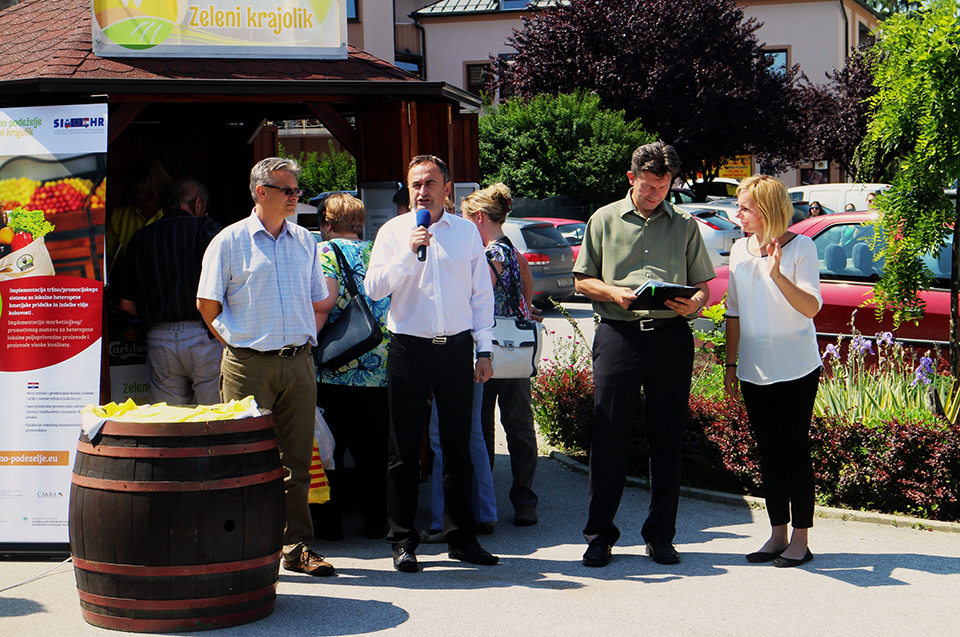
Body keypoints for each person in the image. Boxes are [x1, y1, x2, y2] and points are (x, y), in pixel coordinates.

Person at [573, 141, 715, 568]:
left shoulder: (686, 225)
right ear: (631, 178)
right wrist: (612, 292)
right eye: (649, 185)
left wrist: (697, 302)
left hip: (671, 336)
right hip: (619, 335)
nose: (656, 194)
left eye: (664, 186)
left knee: (668, 436)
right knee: (609, 435)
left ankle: (660, 536)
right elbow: (582, 280)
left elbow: (704, 286)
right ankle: (600, 536)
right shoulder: (603, 219)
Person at [197, 157, 335, 577]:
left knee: (296, 461)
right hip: (248, 365)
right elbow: (207, 304)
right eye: (288, 190)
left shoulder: (305, 241)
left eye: (296, 190)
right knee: (243, 460)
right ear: (261, 192)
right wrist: (237, 347)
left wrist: (299, 341)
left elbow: (316, 301)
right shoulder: (228, 240)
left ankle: (296, 547)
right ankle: (244, 547)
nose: (296, 197)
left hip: (297, 363)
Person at [364, 154, 498, 573]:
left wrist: (484, 349)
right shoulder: (393, 232)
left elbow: (480, 295)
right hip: (409, 348)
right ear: (408, 188)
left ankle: (462, 538)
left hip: (456, 348)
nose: (422, 190)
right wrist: (408, 253)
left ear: (447, 187)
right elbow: (374, 289)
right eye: (416, 183)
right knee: (403, 450)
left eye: (430, 182)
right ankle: (403, 541)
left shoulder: (464, 233)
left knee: (458, 447)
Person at [723, 175, 822, 568]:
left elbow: (811, 307)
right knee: (768, 453)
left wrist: (779, 274)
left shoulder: (802, 247)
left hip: (797, 367)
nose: (738, 214)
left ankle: (801, 539)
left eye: (744, 207)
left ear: (766, 210)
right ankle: (777, 534)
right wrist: (731, 366)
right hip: (753, 369)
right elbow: (732, 312)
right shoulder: (737, 250)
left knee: (794, 451)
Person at [311, 193, 391, 541]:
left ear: (327, 222)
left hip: (335, 369)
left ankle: (330, 525)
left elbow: (324, 303)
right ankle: (377, 523)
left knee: (330, 451)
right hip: (378, 366)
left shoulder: (325, 252)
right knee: (374, 452)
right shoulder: (377, 251)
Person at [461, 183, 540, 526]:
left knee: (482, 427)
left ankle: (485, 500)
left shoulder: (490, 255)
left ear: (479, 218)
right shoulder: (516, 253)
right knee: (519, 425)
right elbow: (527, 303)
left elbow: (477, 296)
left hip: (489, 351)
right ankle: (524, 499)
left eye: (465, 219)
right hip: (517, 352)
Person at [117, 178, 223, 405]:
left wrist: (153, 311)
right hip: (205, 334)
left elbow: (125, 303)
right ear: (197, 205)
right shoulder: (207, 229)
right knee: (216, 420)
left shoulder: (140, 237)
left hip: (159, 340)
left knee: (170, 422)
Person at [106, 157, 171, 267]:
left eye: (146, 191)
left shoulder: (174, 212)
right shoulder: (120, 214)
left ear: (159, 186)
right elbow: (108, 258)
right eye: (136, 191)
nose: (141, 196)